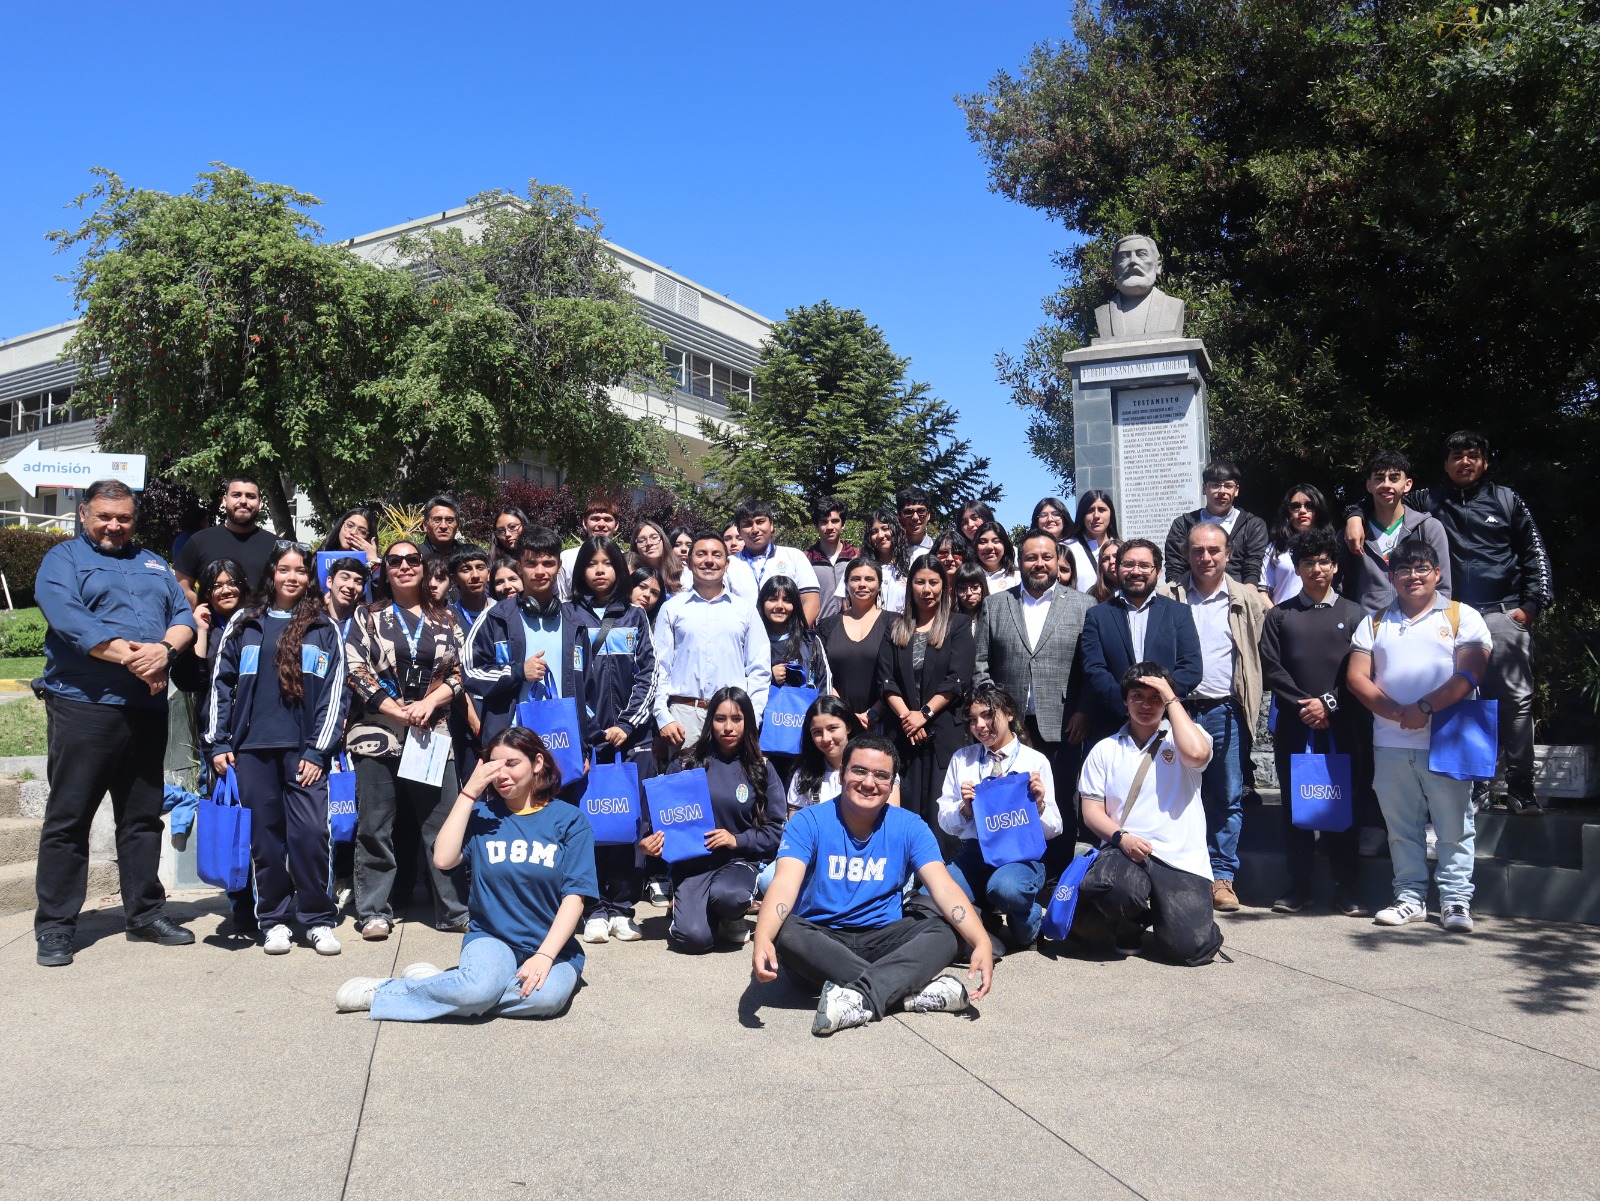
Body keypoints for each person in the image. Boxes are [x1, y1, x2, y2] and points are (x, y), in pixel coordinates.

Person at [32, 480, 198, 967]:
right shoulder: (61, 560)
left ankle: (144, 913)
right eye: (105, 516)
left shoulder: (152, 563)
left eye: (123, 517)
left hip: (146, 710)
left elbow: (183, 615)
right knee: (69, 818)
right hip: (84, 705)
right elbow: (71, 621)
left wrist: (165, 650)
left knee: (143, 817)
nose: (114, 525)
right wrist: (138, 660)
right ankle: (58, 926)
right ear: (84, 513)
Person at [335, 727, 597, 1020]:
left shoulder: (570, 820)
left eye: (512, 764)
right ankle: (389, 991)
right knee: (478, 991)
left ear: (537, 763)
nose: (502, 775)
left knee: (544, 1000)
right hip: (493, 939)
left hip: (555, 947)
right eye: (494, 767)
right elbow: (444, 860)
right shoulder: (482, 816)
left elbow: (575, 897)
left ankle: (449, 987)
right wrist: (469, 793)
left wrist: (545, 956)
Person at [751, 736, 995, 1035]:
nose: (869, 782)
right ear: (842, 774)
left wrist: (981, 941)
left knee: (948, 932)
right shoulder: (809, 821)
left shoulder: (910, 825)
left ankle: (858, 998)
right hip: (822, 946)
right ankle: (905, 992)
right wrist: (763, 938)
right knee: (786, 932)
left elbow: (943, 887)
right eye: (859, 771)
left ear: (892, 783)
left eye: (881, 775)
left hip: (884, 941)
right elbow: (784, 884)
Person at [204, 543, 349, 955]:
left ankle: (318, 918)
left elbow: (334, 696)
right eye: (284, 569)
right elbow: (221, 683)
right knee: (264, 841)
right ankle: (274, 920)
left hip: (304, 752)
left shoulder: (323, 627)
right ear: (272, 574)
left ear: (309, 577)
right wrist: (219, 741)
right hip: (251, 752)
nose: (292, 577)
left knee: (308, 835)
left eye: (300, 570)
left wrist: (318, 751)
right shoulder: (245, 622)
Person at [1346, 538, 1492, 933]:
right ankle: (1409, 897)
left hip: (1449, 739)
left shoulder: (1463, 616)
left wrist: (1424, 707)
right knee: (1401, 829)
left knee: (1453, 826)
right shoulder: (1375, 621)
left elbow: (1470, 673)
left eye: (1421, 569)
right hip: (1391, 742)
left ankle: (1456, 900)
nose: (1413, 576)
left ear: (1437, 573)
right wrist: (1396, 712)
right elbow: (1357, 677)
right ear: (1392, 577)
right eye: (1404, 570)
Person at [344, 539, 471, 940]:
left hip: (430, 732)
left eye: (411, 559)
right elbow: (355, 668)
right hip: (377, 731)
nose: (403, 566)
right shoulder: (367, 615)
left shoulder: (447, 618)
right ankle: (374, 912)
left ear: (422, 566)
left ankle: (453, 910)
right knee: (376, 825)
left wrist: (429, 702)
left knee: (442, 823)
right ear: (386, 570)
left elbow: (460, 671)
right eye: (394, 560)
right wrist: (398, 710)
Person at [1074, 664, 1224, 965]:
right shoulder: (1105, 749)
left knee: (1188, 949)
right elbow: (1091, 812)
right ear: (1125, 701)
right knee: (1113, 889)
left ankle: (1182, 919)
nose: (1146, 705)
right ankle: (1130, 925)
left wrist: (1171, 698)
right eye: (1137, 696)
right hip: (1125, 850)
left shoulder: (1187, 737)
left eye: (1156, 698)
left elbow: (1196, 755)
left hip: (1179, 856)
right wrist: (1121, 837)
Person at [1156, 522, 1267, 911]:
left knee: (1227, 796)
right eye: (1198, 551)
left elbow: (1259, 653)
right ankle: (1182, 874)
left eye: (1214, 551)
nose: (1206, 558)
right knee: (1172, 794)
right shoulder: (1167, 596)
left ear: (1228, 554)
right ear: (1187, 555)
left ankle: (1222, 878)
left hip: (1224, 708)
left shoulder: (1246, 600)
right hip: (1175, 710)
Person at [1258, 528, 1368, 915]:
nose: (1316, 568)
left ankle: (1347, 887)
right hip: (1295, 724)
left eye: (1323, 561)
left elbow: (1362, 670)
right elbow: (1272, 668)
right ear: (1298, 567)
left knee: (1345, 805)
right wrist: (1306, 705)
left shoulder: (1356, 613)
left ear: (1335, 566)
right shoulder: (1280, 614)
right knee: (1296, 807)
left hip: (1344, 725)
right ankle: (1299, 884)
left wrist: (1330, 704)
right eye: (1308, 562)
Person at [973, 530, 1094, 859]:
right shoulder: (995, 605)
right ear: (1019, 562)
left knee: (1062, 797)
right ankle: (1014, 868)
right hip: (1010, 727)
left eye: (1046, 557)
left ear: (1058, 561)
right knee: (1010, 797)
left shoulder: (1084, 606)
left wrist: (1083, 711)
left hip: (1064, 722)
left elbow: (1090, 669)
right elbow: (981, 666)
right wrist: (991, 717)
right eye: (1031, 557)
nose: (1039, 564)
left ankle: (1057, 876)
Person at [641, 687, 785, 953]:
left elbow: (775, 831)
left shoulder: (760, 768)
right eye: (720, 719)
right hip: (693, 865)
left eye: (736, 719)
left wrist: (736, 840)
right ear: (710, 721)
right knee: (694, 940)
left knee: (728, 897)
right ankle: (687, 912)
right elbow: (659, 822)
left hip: (738, 862)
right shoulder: (685, 763)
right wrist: (648, 843)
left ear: (748, 722)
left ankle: (731, 915)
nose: (728, 727)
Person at [566, 535, 658, 944]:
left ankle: (622, 906)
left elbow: (648, 673)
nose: (600, 570)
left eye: (607, 563)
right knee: (586, 820)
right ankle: (592, 908)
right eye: (592, 563)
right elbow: (566, 681)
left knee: (626, 818)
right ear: (581, 571)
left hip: (628, 738)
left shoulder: (635, 616)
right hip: (585, 740)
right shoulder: (569, 617)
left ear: (620, 569)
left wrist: (626, 723)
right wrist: (588, 727)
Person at [937, 683, 1063, 950]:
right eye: (972, 720)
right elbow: (944, 819)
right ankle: (985, 916)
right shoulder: (963, 759)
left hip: (1020, 853)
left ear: (1009, 714)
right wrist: (964, 809)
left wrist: (1038, 807)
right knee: (935, 899)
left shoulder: (1034, 761)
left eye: (987, 715)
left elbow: (1055, 827)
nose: (980, 725)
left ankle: (1027, 921)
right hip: (974, 852)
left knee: (1006, 888)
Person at [877, 555, 975, 847]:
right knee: (904, 803)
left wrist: (925, 714)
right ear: (911, 587)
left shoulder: (958, 625)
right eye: (920, 582)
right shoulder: (894, 626)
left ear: (944, 587)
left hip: (943, 731)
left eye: (934, 582)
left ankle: (940, 875)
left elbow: (958, 679)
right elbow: (885, 680)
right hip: (903, 731)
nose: (926, 589)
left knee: (939, 809)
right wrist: (909, 717)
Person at [651, 531, 771, 750]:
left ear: (726, 564)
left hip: (732, 718)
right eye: (701, 554)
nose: (709, 560)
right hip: (682, 717)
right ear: (688, 561)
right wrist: (663, 716)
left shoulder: (745, 610)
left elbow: (759, 670)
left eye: (716, 555)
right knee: (684, 782)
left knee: (729, 783)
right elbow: (659, 668)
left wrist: (751, 717)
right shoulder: (672, 609)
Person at [1079, 539, 1202, 741]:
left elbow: (1191, 667)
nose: (1136, 572)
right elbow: (1094, 668)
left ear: (1158, 571)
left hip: (1167, 722)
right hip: (1112, 723)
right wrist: (1126, 705)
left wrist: (1158, 702)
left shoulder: (1178, 613)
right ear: (1117, 568)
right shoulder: (1097, 615)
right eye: (1128, 565)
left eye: (1145, 565)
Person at [1338, 451, 1453, 612]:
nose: (1386, 484)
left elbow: (1442, 586)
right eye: (1379, 478)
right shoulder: (1352, 533)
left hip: (1419, 624)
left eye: (1394, 478)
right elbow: (1340, 586)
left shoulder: (1428, 528)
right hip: (1367, 628)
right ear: (1369, 485)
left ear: (1408, 484)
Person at [1163, 460, 1270, 586]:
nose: (1222, 491)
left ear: (1236, 490)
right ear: (1204, 488)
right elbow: (1175, 567)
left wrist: (1247, 598)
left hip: (1236, 596)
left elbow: (1252, 567)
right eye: (1215, 485)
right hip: (1190, 594)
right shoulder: (1183, 524)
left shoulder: (1253, 525)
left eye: (1228, 486)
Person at [175, 475, 280, 602]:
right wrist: (201, 610)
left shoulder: (276, 546)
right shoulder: (199, 541)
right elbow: (181, 586)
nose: (243, 501)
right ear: (224, 500)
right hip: (215, 622)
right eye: (236, 495)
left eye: (250, 496)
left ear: (260, 503)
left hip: (264, 621)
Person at [817, 558, 892, 732]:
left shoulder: (895, 623)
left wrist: (873, 713)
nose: (862, 584)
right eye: (855, 579)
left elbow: (898, 675)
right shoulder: (827, 626)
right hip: (838, 724)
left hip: (884, 724)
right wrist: (846, 714)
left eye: (869, 579)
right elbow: (822, 675)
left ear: (879, 585)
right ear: (846, 584)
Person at [727, 501, 823, 625]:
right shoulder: (729, 564)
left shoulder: (794, 556)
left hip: (788, 640)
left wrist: (793, 637)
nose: (755, 529)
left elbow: (811, 602)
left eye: (760, 522)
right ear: (739, 531)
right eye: (747, 524)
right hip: (744, 641)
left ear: (771, 525)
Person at [760, 576, 833, 698]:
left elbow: (824, 686)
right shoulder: (751, 640)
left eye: (787, 600)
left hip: (805, 715)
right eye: (772, 599)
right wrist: (769, 676)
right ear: (762, 603)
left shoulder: (810, 641)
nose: (780, 605)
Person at [1260, 485, 1330, 606]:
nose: (1302, 511)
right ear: (1288, 512)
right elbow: (1263, 594)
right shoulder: (1274, 549)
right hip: (1282, 619)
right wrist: (1277, 620)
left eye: (1309, 505)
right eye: (1295, 506)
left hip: (1325, 618)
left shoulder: (1331, 546)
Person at [839, 509, 909, 614]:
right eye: (874, 532)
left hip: (902, 628)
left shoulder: (910, 565)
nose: (880, 535)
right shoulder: (857, 565)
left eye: (885, 528)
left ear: (896, 530)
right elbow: (846, 602)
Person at [804, 496, 859, 623]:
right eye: (824, 521)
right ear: (816, 525)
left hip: (852, 629)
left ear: (843, 524)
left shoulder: (856, 556)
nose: (829, 527)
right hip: (817, 633)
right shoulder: (806, 559)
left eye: (835, 521)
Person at [557, 494, 622, 599]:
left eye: (607, 519)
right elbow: (561, 597)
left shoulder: (624, 558)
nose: (601, 524)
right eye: (595, 519)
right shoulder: (567, 558)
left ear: (616, 525)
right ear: (584, 523)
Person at [1065, 490, 1119, 595]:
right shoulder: (1067, 548)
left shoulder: (1122, 549)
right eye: (1090, 510)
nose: (1096, 516)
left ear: (1110, 513)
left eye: (1102, 510)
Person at [630, 519, 689, 593]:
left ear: (663, 540)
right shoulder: (632, 574)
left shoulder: (684, 571)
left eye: (654, 537)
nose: (649, 543)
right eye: (641, 540)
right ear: (636, 547)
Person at [318, 507, 381, 573]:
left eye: (362, 531)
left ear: (368, 538)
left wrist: (374, 561)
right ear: (341, 525)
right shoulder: (320, 557)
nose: (353, 532)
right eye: (350, 525)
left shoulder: (374, 563)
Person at [421, 494, 483, 561]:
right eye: (437, 520)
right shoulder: (417, 558)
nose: (443, 526)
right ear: (425, 525)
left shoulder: (469, 557)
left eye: (449, 520)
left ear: (458, 526)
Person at [449, 546, 495, 630]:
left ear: (488, 574)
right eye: (466, 570)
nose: (475, 575)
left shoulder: (502, 611)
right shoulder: (448, 617)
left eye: (480, 568)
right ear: (454, 579)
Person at [969, 520, 1021, 594]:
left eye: (996, 541)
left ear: (1005, 546)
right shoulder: (968, 576)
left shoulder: (1017, 578)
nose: (989, 547)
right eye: (983, 542)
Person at [895, 487, 936, 555]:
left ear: (928, 515)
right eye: (908, 512)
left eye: (921, 511)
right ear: (899, 516)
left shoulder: (938, 550)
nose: (915, 517)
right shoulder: (892, 551)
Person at [952, 561, 989, 634]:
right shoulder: (949, 620)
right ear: (956, 590)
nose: (969, 593)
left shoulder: (992, 618)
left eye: (974, 587)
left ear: (983, 588)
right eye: (962, 588)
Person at [1090, 538, 1122, 604]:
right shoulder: (1094, 594)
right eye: (1105, 559)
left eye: (1116, 556)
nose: (1111, 561)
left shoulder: (1138, 589)